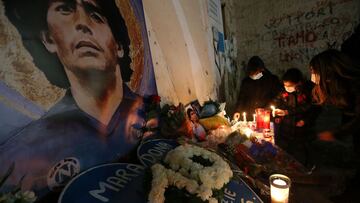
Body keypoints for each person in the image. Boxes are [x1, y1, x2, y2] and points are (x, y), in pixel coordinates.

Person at [0, 0, 151, 198]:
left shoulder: (149, 111)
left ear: (119, 46)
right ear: (48, 39)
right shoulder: (22, 155)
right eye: (65, 9)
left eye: (96, 16)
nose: (83, 23)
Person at [309, 49, 360, 201]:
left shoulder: (356, 86)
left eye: (314, 72)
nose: (313, 77)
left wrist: (335, 134)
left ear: (327, 71)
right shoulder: (341, 88)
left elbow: (358, 120)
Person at [273, 68, 319, 165]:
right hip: (286, 128)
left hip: (302, 129)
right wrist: (276, 112)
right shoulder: (283, 91)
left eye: (289, 86)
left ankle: (306, 168)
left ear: (298, 83)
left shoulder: (308, 90)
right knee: (287, 151)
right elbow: (277, 101)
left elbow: (309, 108)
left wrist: (305, 120)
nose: (287, 88)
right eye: (285, 85)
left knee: (302, 152)